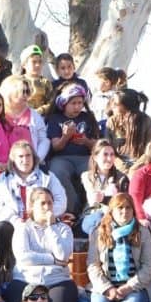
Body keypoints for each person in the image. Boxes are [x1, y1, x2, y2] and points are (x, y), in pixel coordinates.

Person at [0, 140, 67, 266]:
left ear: (34, 157)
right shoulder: (3, 179)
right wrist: (15, 220)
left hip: (42, 224)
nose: (25, 160)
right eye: (21, 156)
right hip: (14, 224)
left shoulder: (47, 177)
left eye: (28, 155)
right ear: (13, 159)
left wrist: (43, 216)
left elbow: (61, 200)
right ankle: (1, 271)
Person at [8, 187, 77, 302]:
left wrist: (51, 227)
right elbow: (24, 257)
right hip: (26, 279)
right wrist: (53, 260)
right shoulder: (23, 228)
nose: (47, 207)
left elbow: (63, 255)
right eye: (42, 203)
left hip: (57, 279)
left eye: (50, 203)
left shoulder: (64, 229)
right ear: (32, 206)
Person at [46, 84, 100, 215]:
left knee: (95, 173)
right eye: (73, 103)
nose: (77, 107)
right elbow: (55, 146)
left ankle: (91, 208)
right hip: (62, 158)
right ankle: (72, 209)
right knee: (57, 173)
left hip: (85, 157)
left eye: (80, 103)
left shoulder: (88, 117)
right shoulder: (55, 119)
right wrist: (66, 137)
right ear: (64, 103)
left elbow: (98, 145)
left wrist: (86, 141)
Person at [80, 139, 129, 234]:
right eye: (105, 154)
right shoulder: (87, 176)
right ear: (95, 157)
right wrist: (106, 196)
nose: (109, 159)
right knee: (99, 218)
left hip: (115, 216)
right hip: (92, 215)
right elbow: (93, 200)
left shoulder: (121, 177)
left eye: (112, 155)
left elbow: (124, 202)